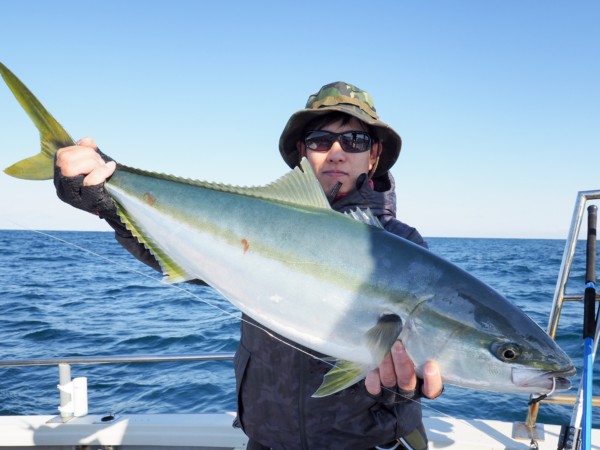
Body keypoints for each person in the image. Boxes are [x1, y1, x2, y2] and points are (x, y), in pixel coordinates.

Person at [54, 81, 443, 450]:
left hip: (372, 443)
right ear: (302, 151)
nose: (337, 152)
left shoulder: (403, 246)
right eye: (321, 140)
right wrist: (109, 204)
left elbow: (433, 346)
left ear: (373, 156)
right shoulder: (260, 226)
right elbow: (180, 254)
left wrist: (413, 382)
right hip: (266, 439)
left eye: (355, 140)